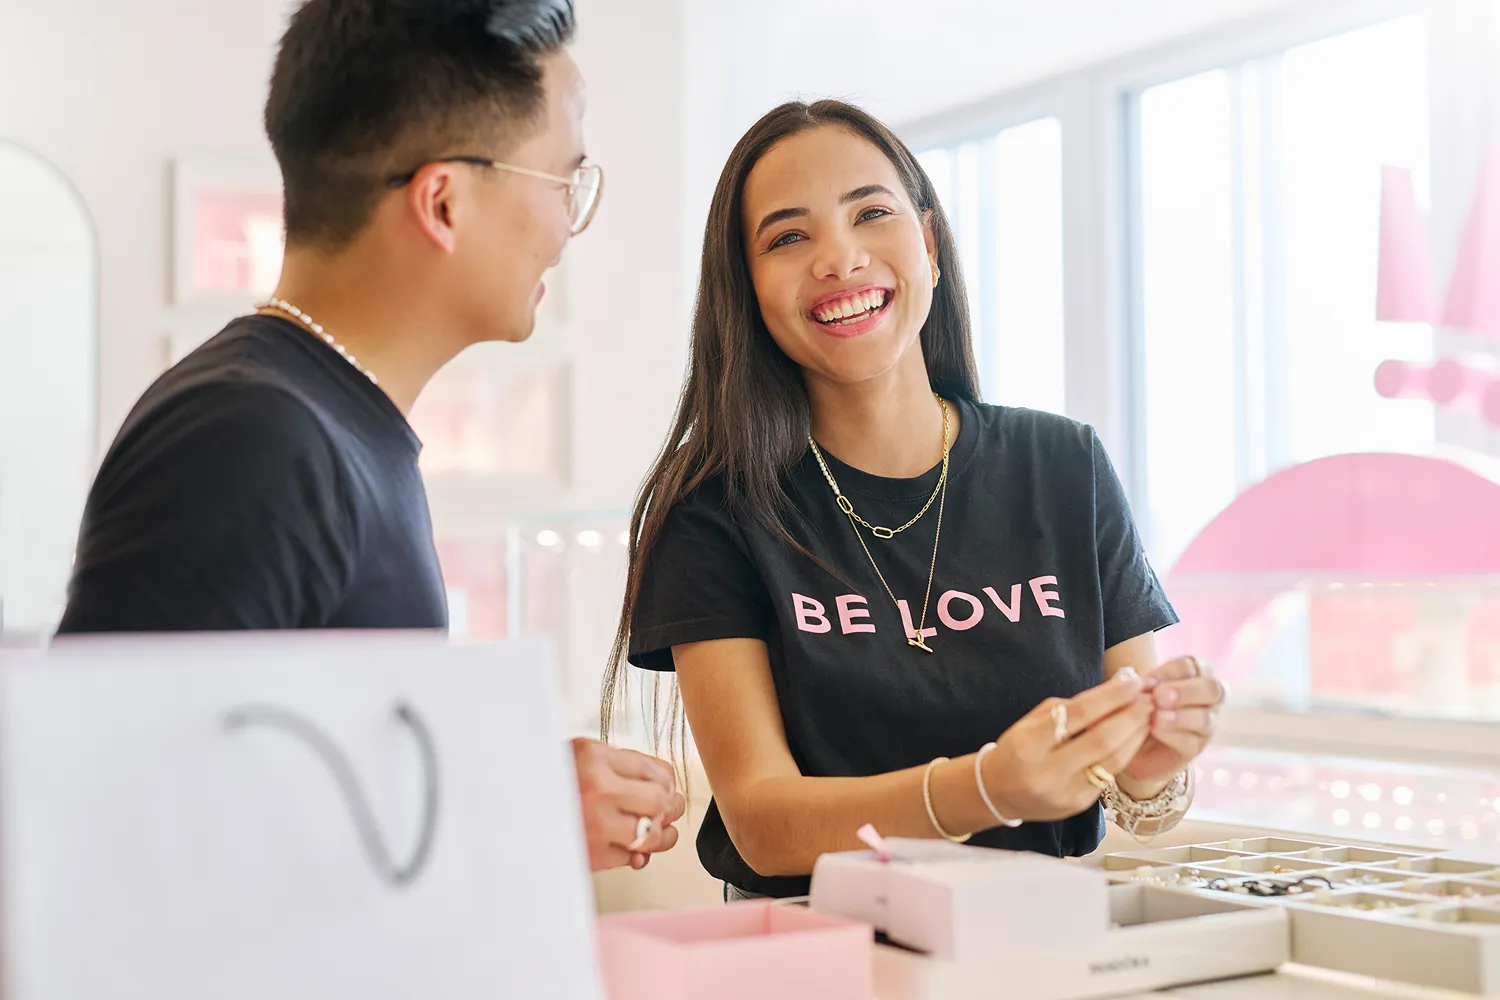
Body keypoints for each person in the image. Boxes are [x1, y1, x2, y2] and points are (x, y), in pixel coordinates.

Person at [57, 0, 682, 874]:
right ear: (444, 203)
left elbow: (288, 770)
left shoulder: (326, 422)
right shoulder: (247, 439)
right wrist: (503, 803)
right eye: (563, 184)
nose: (564, 228)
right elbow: (110, 831)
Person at [602, 100, 1225, 901]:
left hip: (1043, 943)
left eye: (872, 214)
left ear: (927, 245)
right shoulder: (713, 508)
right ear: (747, 288)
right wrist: (984, 788)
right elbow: (761, 820)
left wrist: (1147, 768)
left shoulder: (1063, 463)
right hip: (812, 955)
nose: (840, 258)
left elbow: (1140, 798)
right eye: (789, 237)